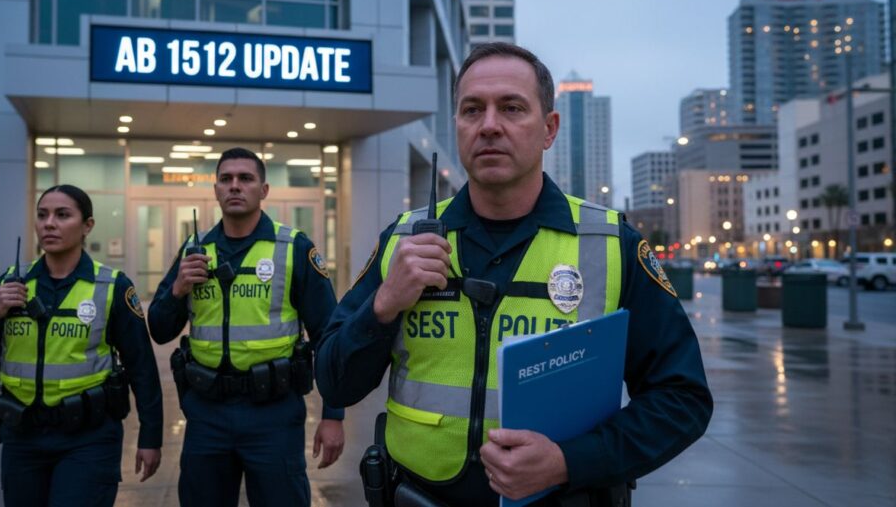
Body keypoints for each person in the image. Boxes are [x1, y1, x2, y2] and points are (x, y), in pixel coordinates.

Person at [316, 42, 713, 507]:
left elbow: (682, 400)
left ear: (549, 129)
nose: (489, 125)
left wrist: (570, 460)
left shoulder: (611, 246)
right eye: (471, 110)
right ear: (458, 126)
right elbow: (334, 381)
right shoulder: (402, 243)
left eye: (511, 108)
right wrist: (382, 306)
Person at [148, 147, 345, 507]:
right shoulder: (195, 250)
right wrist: (178, 290)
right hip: (206, 413)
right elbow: (159, 329)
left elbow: (327, 336)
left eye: (245, 178)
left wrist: (333, 416)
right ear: (216, 190)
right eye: (226, 179)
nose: (235, 186)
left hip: (274, 414)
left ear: (264, 190)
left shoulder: (293, 248)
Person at [0, 184, 163, 507]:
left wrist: (151, 437)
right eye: (42, 215)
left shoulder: (111, 287)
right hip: (23, 439)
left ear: (87, 226)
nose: (49, 223)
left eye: (62, 215)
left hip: (89, 439)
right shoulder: (12, 283)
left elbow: (142, 368)